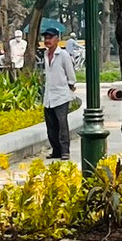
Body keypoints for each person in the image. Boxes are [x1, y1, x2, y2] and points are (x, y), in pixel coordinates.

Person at [40, 21, 79, 160]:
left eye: (50, 38)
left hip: (61, 96)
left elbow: (71, 76)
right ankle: (56, 151)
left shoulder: (63, 55)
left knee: (62, 125)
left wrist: (69, 88)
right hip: (49, 96)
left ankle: (64, 151)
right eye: (46, 38)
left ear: (57, 39)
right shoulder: (45, 55)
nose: (47, 40)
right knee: (51, 126)